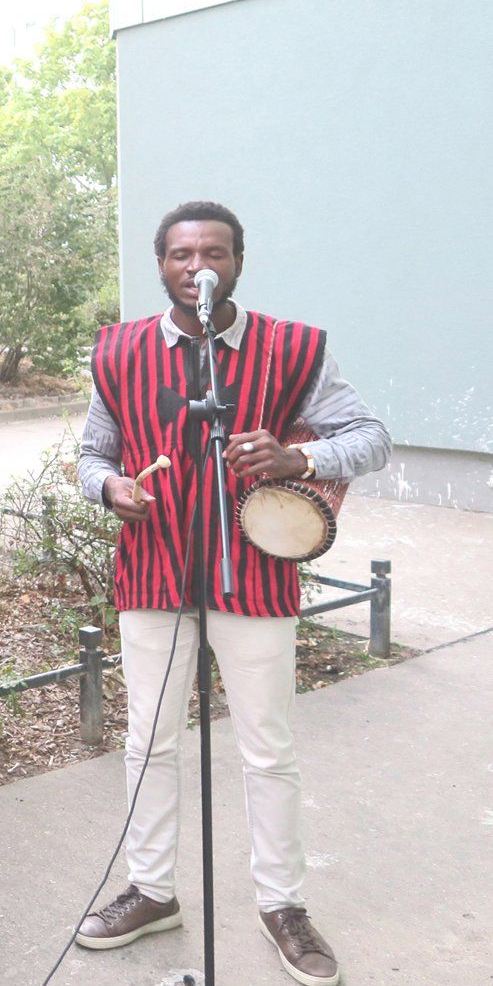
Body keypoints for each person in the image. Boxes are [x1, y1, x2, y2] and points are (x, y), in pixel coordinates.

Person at [74, 202, 390, 986]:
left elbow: (370, 436)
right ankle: (151, 890)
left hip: (252, 570)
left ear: (237, 262)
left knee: (267, 746)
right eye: (181, 253)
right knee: (148, 742)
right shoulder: (115, 351)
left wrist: (297, 458)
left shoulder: (294, 347)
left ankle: (282, 904)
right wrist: (107, 486)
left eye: (212, 251)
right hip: (152, 574)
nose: (197, 265)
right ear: (161, 265)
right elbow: (90, 453)